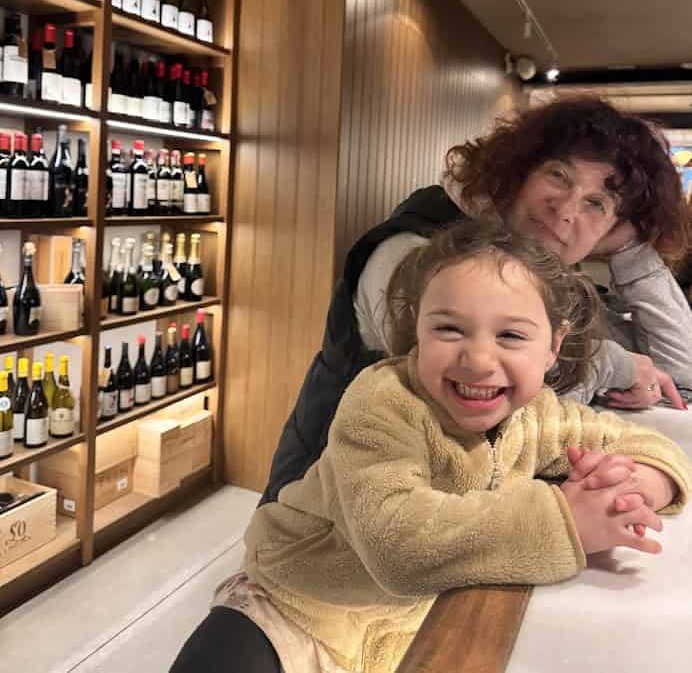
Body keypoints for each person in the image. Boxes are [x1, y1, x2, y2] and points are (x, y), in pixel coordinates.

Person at [171, 221, 691, 673]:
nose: (479, 360)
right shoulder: (383, 402)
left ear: (553, 345)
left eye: (511, 336)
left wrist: (639, 480)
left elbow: (635, 440)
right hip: (299, 605)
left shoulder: (538, 414)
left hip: (414, 616)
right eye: (449, 329)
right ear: (417, 326)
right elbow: (397, 541)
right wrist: (565, 521)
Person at [261, 96, 692, 506]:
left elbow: (679, 368)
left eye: (596, 203)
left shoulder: (542, 266)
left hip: (449, 517)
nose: (565, 209)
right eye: (558, 176)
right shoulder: (417, 251)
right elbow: (488, 399)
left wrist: (631, 251)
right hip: (325, 513)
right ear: (519, 169)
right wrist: (616, 365)